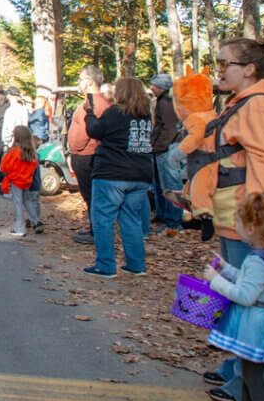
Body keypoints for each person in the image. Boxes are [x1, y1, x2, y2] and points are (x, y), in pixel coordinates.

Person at [197, 33, 264, 401]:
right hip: (232, 214)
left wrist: (258, 222)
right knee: (234, 295)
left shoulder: (260, 104)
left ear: (249, 70)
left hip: (245, 219)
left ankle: (247, 394)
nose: (218, 70)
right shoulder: (243, 101)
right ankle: (234, 367)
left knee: (250, 301)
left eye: (224, 64)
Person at [204, 192, 264, 401]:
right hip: (261, 322)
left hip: (256, 324)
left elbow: (245, 295)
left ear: (251, 228)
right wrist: (227, 270)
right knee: (249, 372)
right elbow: (251, 283)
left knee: (252, 375)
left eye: (237, 222)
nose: (235, 227)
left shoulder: (258, 260)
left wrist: (216, 281)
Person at [82, 77, 153, 278]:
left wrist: (89, 113)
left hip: (113, 172)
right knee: (131, 219)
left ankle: (105, 265)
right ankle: (136, 264)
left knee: (103, 218)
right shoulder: (145, 115)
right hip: (140, 172)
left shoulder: (115, 112)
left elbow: (95, 131)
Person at [68, 66, 112, 244]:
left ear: (91, 81)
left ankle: (97, 232)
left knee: (92, 195)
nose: (79, 82)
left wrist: (77, 147)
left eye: (81, 78)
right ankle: (95, 229)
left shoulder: (96, 103)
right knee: (89, 195)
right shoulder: (89, 101)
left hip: (87, 155)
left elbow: (90, 130)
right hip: (82, 154)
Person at [149, 73, 182, 232]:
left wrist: (159, 147)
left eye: (153, 85)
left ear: (161, 87)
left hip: (166, 150)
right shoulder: (162, 101)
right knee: (161, 186)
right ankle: (162, 215)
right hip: (160, 149)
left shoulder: (167, 103)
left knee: (170, 186)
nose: (151, 88)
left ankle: (173, 221)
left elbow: (169, 129)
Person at [0, 125, 41, 236]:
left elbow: (4, 167)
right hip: (27, 180)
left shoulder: (14, 152)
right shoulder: (31, 153)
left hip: (16, 181)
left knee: (18, 204)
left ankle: (20, 228)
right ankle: (36, 220)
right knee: (27, 201)